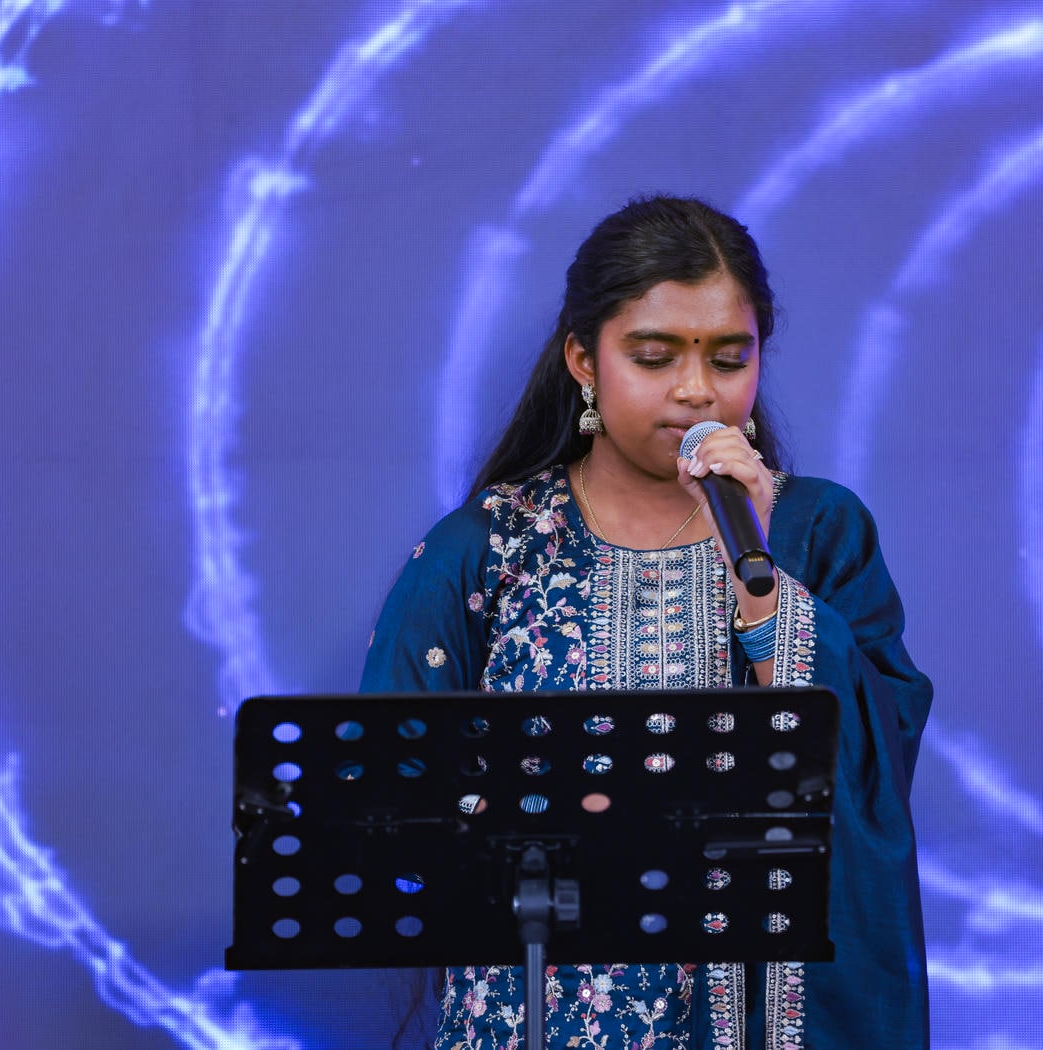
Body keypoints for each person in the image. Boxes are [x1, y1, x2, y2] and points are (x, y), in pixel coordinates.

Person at [361, 196, 932, 1048]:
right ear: (583, 361)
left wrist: (762, 583)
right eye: (654, 357)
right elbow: (387, 794)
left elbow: (874, 764)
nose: (696, 390)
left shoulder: (815, 533)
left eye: (729, 359)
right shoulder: (489, 548)